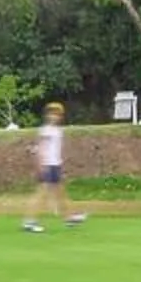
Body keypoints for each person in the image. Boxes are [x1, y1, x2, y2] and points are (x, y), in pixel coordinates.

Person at [21, 100, 88, 233]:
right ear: (47, 115)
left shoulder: (58, 131)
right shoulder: (45, 130)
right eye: (52, 114)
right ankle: (29, 222)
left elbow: (56, 149)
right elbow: (40, 148)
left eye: (57, 114)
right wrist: (40, 165)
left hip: (55, 164)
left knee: (60, 193)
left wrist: (60, 165)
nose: (54, 116)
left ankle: (68, 218)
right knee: (41, 194)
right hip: (46, 165)